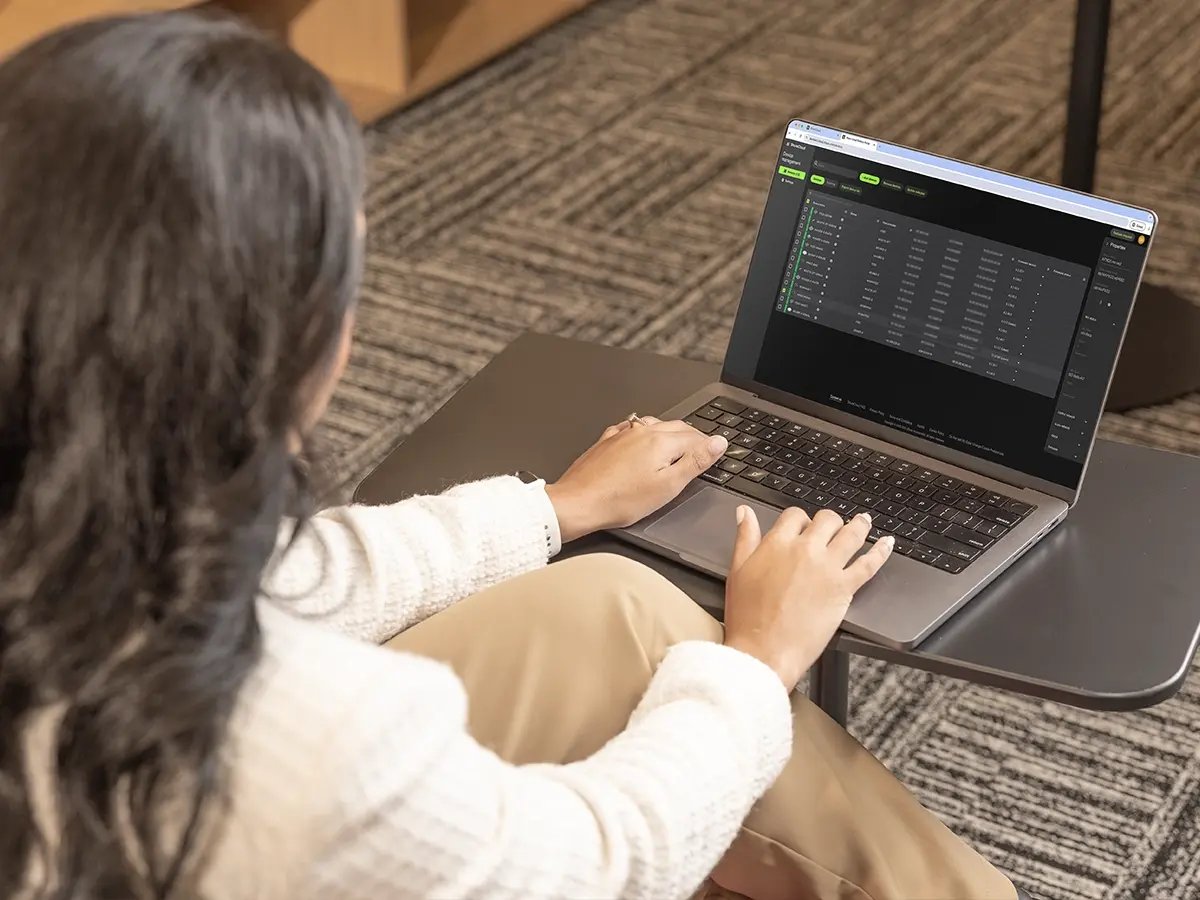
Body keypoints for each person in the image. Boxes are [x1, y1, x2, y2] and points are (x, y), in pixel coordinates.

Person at [0, 12, 1023, 900]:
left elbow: (294, 573)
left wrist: (555, 509)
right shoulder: (319, 740)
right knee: (695, 718)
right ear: (281, 338)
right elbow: (601, 862)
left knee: (609, 608)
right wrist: (760, 664)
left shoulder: (69, 514)